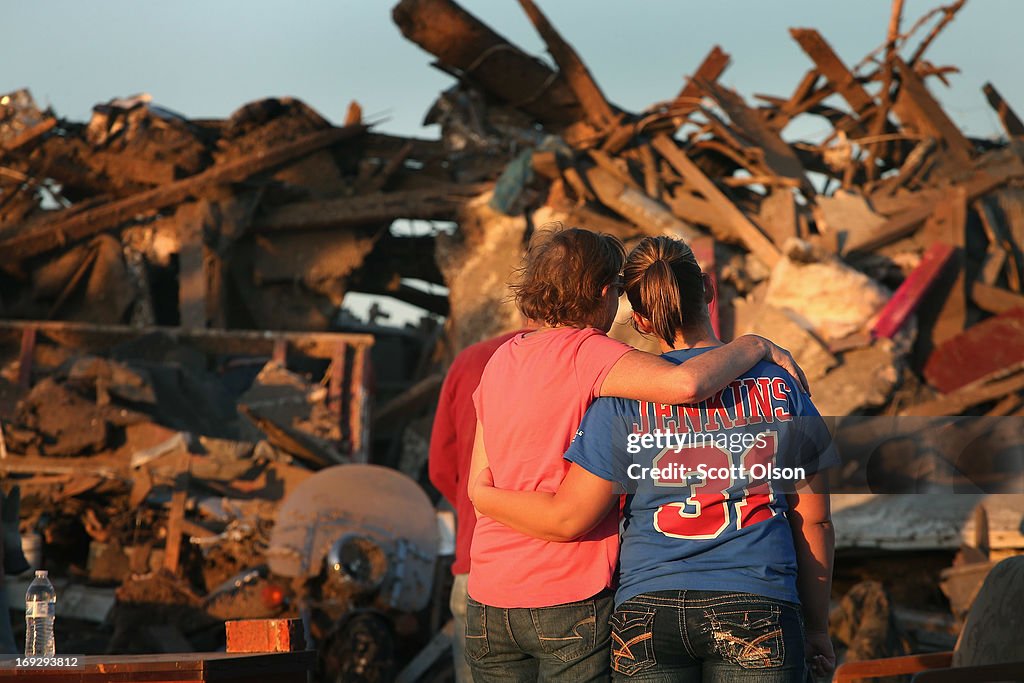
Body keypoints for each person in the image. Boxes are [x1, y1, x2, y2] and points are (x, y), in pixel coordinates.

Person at [472, 235, 838, 682]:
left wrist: (482, 496)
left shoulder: (615, 399)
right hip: (755, 600)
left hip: (642, 608)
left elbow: (569, 504)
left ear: (641, 320)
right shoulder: (780, 387)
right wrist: (817, 628)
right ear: (707, 288)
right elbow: (814, 520)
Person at [428, 329, 524, 683]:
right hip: (561, 572)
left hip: (477, 565)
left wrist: (478, 507)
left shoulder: (470, 360)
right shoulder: (588, 357)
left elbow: (439, 465)